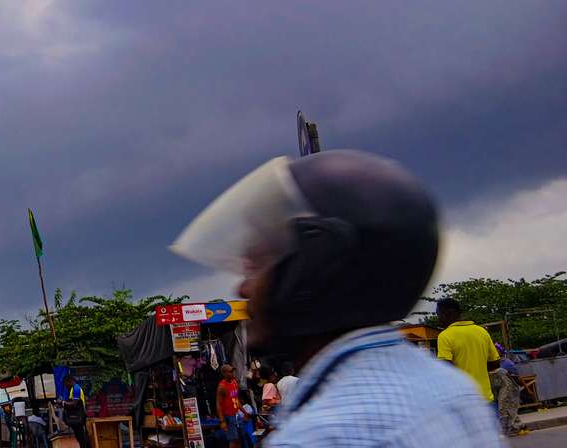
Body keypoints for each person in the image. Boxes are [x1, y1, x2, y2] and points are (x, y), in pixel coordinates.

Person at [170, 150, 502, 446]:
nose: (242, 288)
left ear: (315, 268)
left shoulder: (318, 436)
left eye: (257, 264)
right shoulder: (453, 390)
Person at [435, 297, 500, 403]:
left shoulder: (445, 336)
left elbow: (446, 368)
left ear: (448, 313)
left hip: (464, 401)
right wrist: (478, 369)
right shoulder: (482, 331)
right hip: (486, 399)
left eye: (439, 314)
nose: (438, 319)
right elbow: (495, 363)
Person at [215, 364, 243, 448]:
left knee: (239, 438)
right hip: (229, 416)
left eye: (232, 371)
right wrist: (222, 421)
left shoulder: (234, 382)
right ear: (224, 373)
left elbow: (236, 399)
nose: (232, 373)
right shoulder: (222, 387)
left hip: (236, 414)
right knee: (233, 440)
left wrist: (244, 412)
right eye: (230, 372)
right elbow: (218, 404)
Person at [60, 375, 88, 448]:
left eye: (65, 384)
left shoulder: (76, 388)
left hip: (79, 416)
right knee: (79, 436)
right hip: (77, 416)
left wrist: (63, 403)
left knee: (81, 436)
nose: (65, 386)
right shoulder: (73, 389)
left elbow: (74, 403)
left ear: (69, 381)